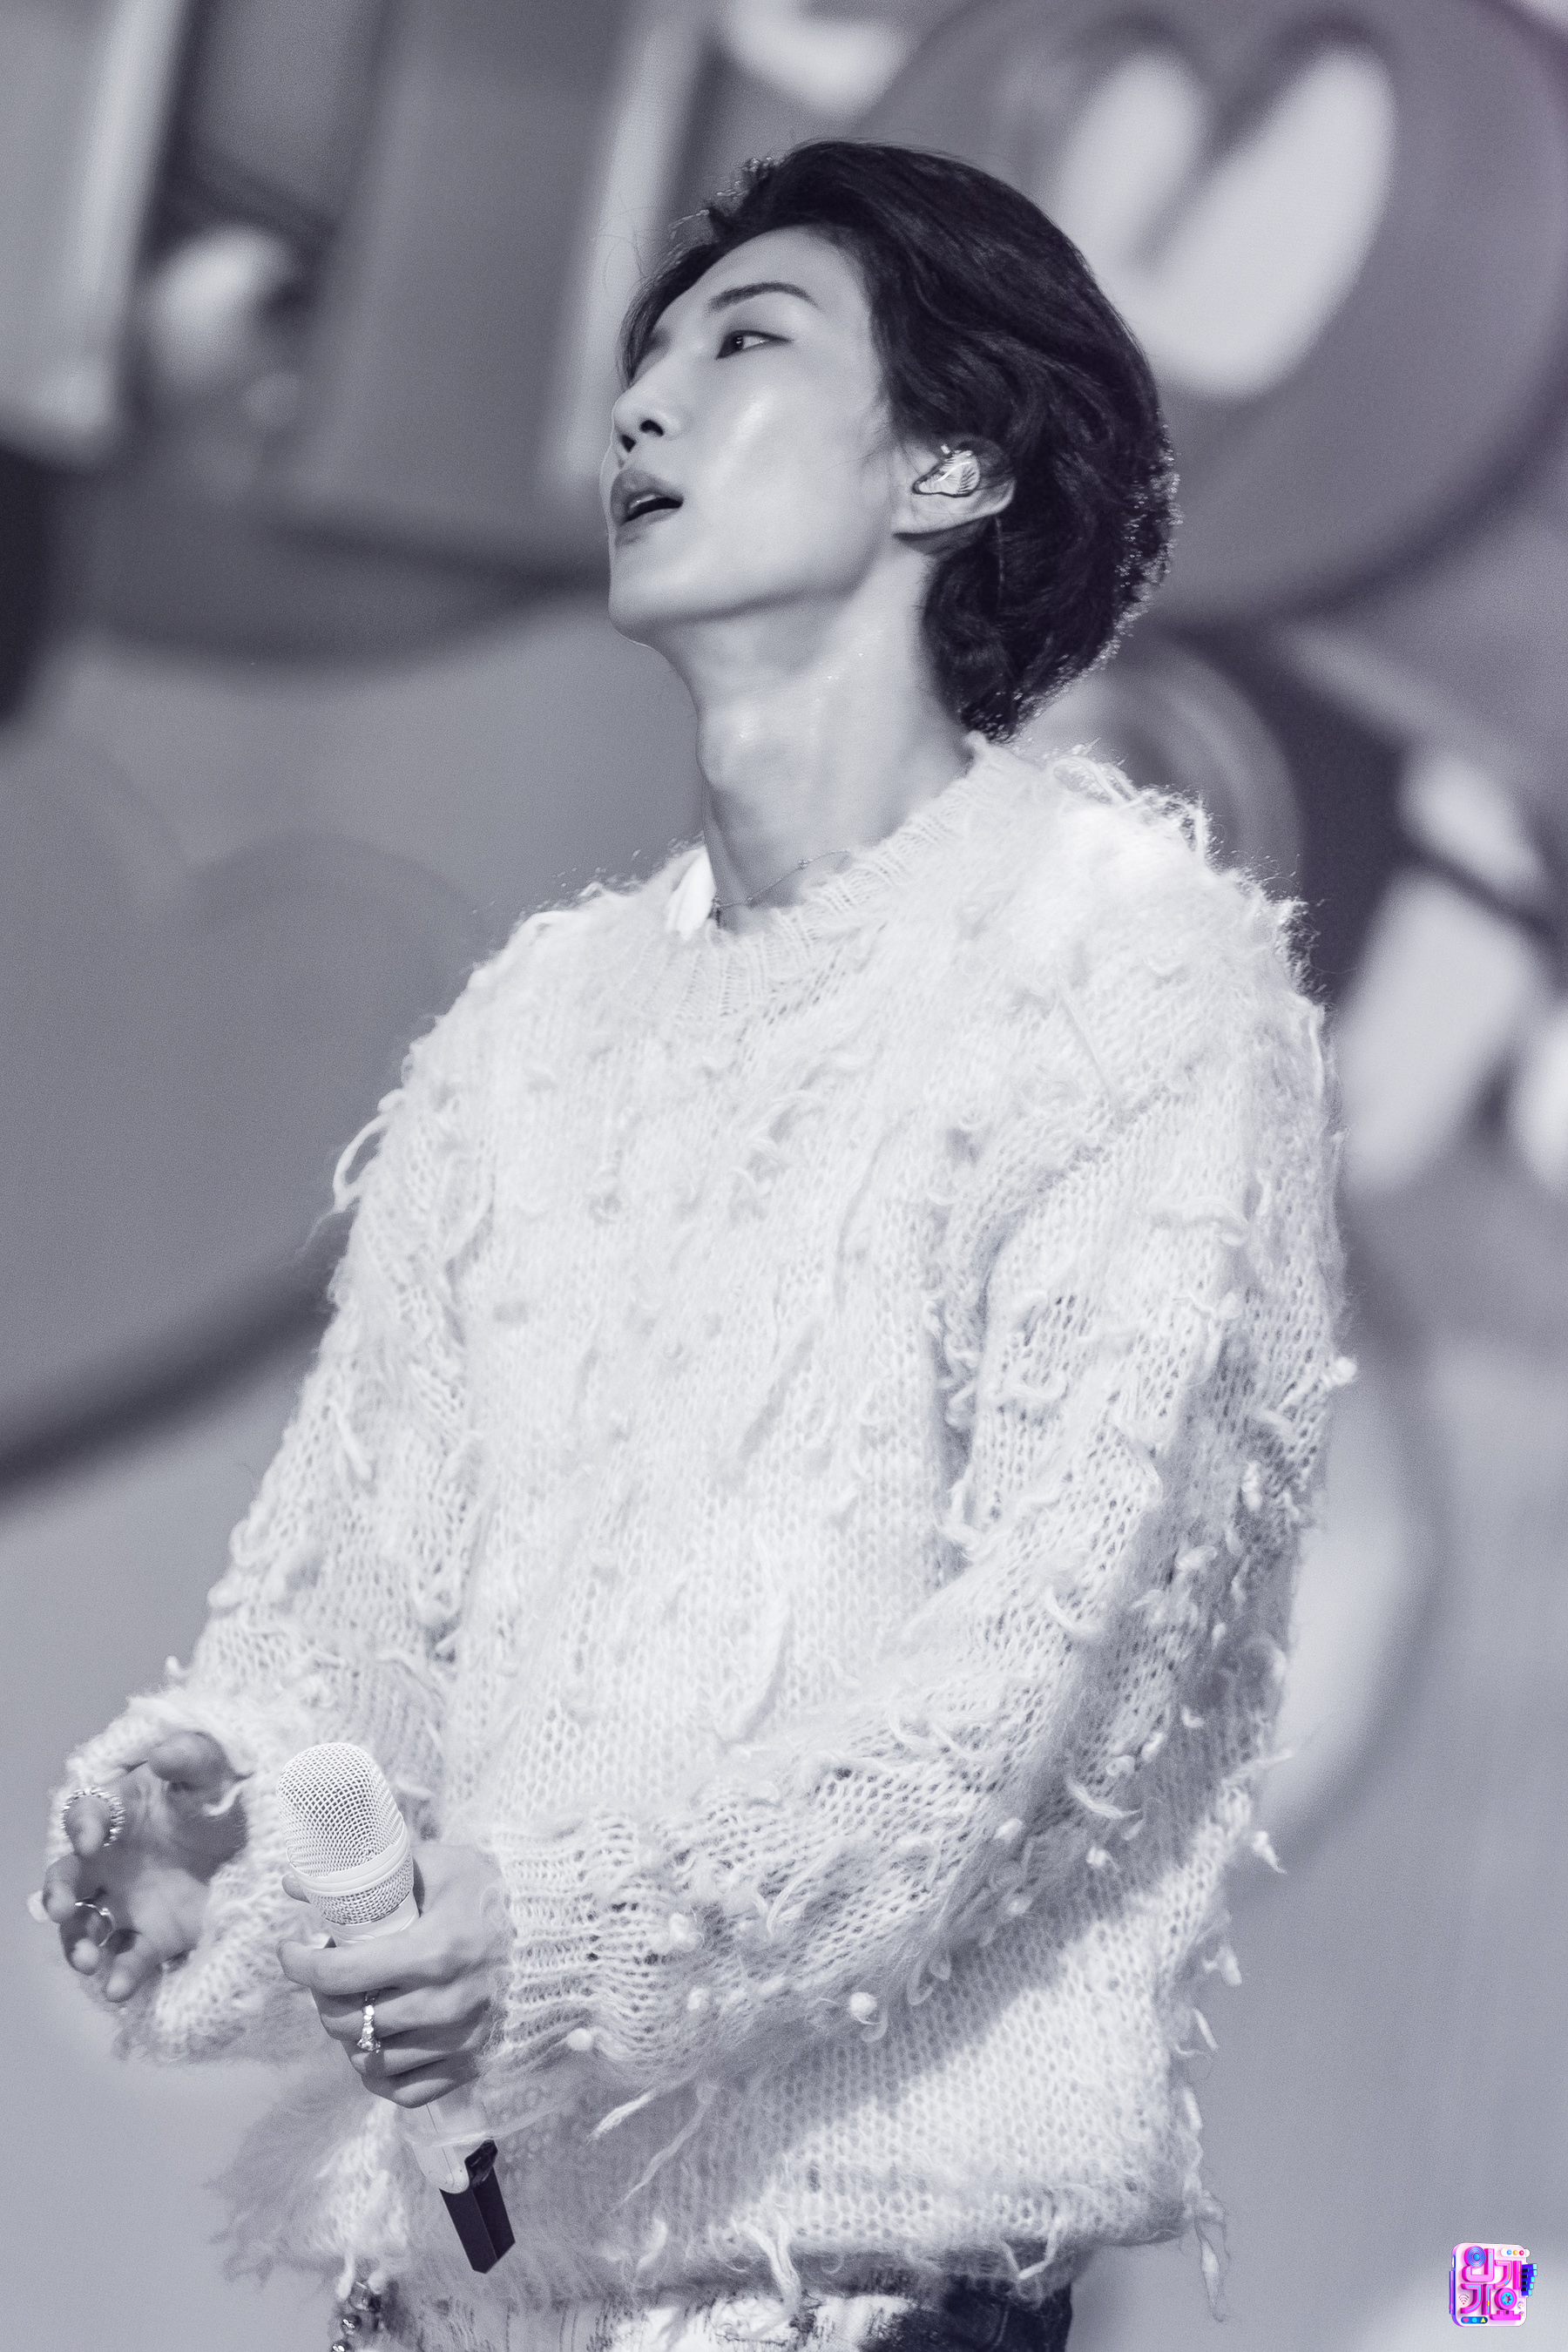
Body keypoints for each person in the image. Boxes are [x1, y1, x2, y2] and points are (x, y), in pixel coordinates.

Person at [37, 141, 1345, 2352]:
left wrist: (547, 1939)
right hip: (455, 2288)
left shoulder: (1131, 972)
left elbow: (1042, 1696)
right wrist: (220, 1839)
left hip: (852, 2285)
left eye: (744, 345)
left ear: (948, 466)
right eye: (642, 357)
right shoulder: (525, 1034)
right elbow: (343, 1649)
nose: (642, 404)